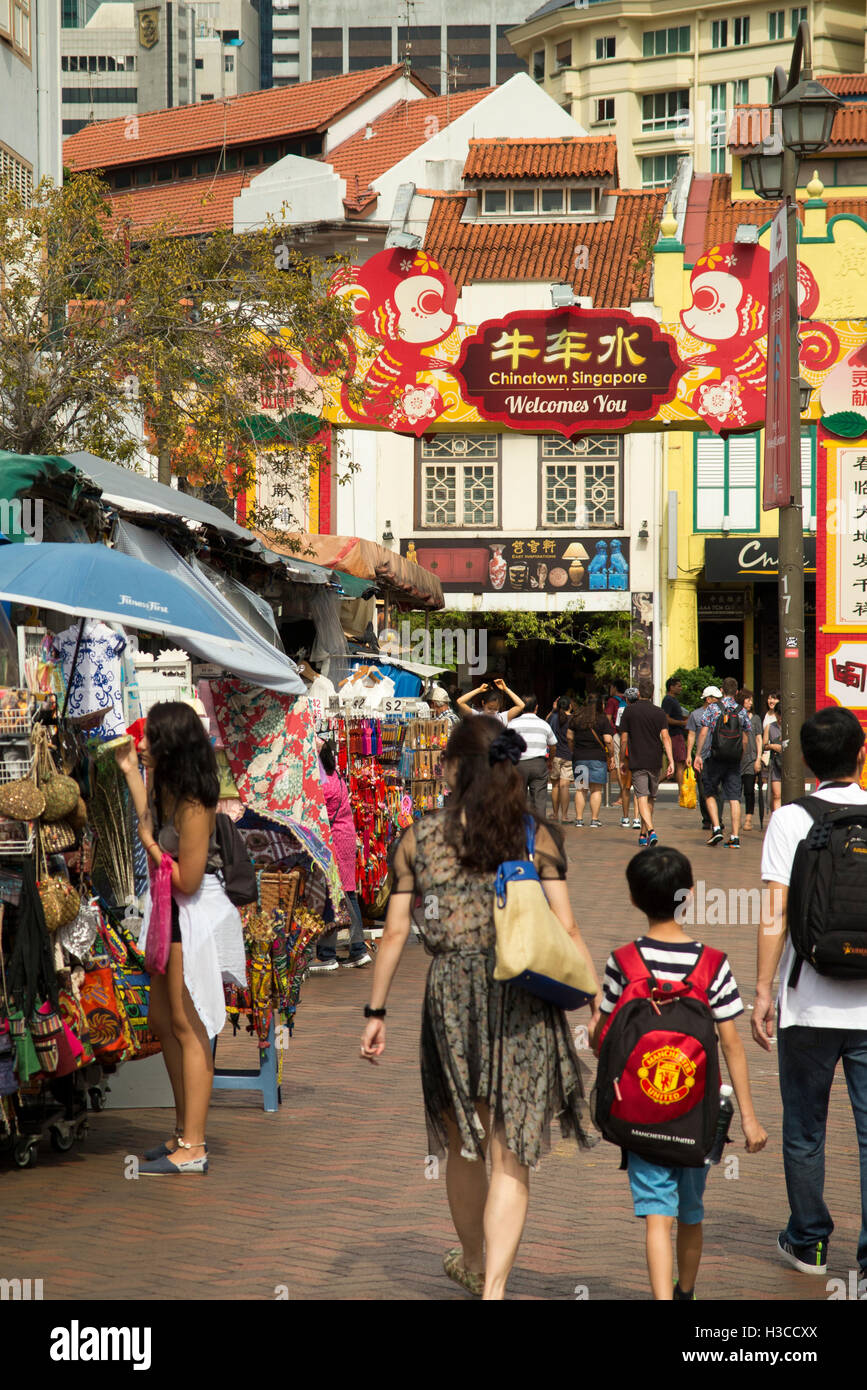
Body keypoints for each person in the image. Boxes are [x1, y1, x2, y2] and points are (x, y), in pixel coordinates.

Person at [359, 716, 600, 1300]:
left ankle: (471, 1258)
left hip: (450, 999)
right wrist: (594, 997)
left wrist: (377, 1012)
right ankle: (493, 1290)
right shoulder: (533, 836)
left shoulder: (420, 838)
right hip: (521, 994)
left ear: (453, 768)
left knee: (464, 1139)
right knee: (510, 1147)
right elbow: (565, 926)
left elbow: (393, 935)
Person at [592, 847, 767, 1300]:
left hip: (640, 1114)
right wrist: (748, 1118)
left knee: (656, 1217)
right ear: (687, 897)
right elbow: (731, 1045)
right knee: (691, 1214)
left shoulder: (623, 961)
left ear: (633, 898)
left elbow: (602, 1038)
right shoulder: (712, 964)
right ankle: (685, 1292)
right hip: (698, 1116)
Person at [754, 706, 867, 1285]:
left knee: (805, 1130)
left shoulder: (790, 820)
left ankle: (810, 1243)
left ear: (804, 760)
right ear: (862, 753)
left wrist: (762, 991)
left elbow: (773, 913)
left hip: (808, 1001)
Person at [115, 702, 246, 1175]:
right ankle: (181, 1129)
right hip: (171, 911)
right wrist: (131, 770)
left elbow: (187, 879)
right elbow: (146, 816)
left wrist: (149, 843)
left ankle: (194, 1146)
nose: (142, 743)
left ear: (171, 744)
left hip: (192, 912)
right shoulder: (168, 787)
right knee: (164, 1020)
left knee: (189, 1027)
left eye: (150, 738)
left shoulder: (193, 802)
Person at [309, 739, 372, 972]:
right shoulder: (337, 777)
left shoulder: (324, 783)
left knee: (333, 895)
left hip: (334, 839)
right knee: (347, 893)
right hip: (346, 838)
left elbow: (315, 809)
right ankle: (356, 949)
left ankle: (329, 954)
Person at [694, 676, 751, 848]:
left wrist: (698, 754)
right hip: (733, 759)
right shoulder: (741, 710)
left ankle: (717, 828)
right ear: (737, 692)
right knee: (734, 797)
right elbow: (746, 738)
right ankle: (735, 837)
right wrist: (740, 755)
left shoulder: (713, 708)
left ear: (722, 690)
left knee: (709, 792)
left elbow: (703, 732)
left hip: (715, 757)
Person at [619, 678, 674, 847]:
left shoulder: (629, 711)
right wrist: (670, 760)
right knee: (650, 798)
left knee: (641, 796)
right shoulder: (659, 713)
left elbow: (623, 739)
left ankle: (650, 830)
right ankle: (643, 834)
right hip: (655, 760)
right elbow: (665, 737)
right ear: (652, 694)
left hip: (637, 759)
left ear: (639, 693)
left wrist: (622, 759)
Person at [567, 693, 614, 828]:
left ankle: (579, 819)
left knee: (581, 789)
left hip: (580, 757)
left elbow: (569, 737)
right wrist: (611, 755)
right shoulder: (602, 719)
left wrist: (572, 750)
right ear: (601, 704)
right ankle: (594, 820)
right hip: (597, 758)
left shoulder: (577, 718)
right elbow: (608, 740)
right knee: (596, 790)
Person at [510, 695, 556, 818]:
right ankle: (539, 829)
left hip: (518, 765)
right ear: (536, 707)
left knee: (518, 799)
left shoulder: (512, 724)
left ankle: (519, 828)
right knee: (539, 800)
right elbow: (553, 745)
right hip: (539, 764)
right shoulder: (544, 724)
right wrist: (550, 761)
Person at [686, 687, 724, 834]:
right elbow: (691, 735)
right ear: (708, 699)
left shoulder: (724, 713)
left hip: (719, 756)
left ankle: (717, 820)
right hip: (702, 757)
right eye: (716, 699)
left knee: (718, 790)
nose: (719, 702)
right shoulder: (695, 715)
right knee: (703, 790)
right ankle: (707, 819)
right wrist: (689, 754)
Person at [547, 696, 575, 824]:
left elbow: (546, 724)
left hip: (556, 755)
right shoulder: (573, 719)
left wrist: (553, 710)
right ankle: (564, 816)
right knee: (565, 787)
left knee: (555, 786)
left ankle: (554, 814)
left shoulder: (553, 718)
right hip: (568, 756)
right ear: (570, 706)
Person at [738, 689, 763, 831]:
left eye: (751, 700)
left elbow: (759, 738)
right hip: (736, 760)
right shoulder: (735, 716)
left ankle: (748, 819)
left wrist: (758, 758)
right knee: (735, 791)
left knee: (749, 790)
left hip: (751, 759)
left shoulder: (756, 719)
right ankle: (737, 818)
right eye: (748, 700)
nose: (750, 703)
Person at [618, 687, 642, 829]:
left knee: (626, 788)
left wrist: (621, 758)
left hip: (628, 753)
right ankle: (637, 818)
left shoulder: (624, 711)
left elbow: (623, 737)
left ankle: (626, 818)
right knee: (639, 789)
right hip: (640, 752)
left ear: (626, 699)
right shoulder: (642, 711)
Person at [661, 677, 689, 794]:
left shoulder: (673, 700)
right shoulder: (668, 700)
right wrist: (682, 723)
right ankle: (682, 794)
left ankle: (652, 786)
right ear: (671, 687)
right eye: (678, 686)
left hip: (678, 734)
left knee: (679, 765)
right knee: (680, 764)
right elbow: (666, 718)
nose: (681, 688)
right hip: (674, 735)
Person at [457, 678, 524, 724]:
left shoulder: (503, 718)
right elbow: (460, 702)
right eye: (489, 708)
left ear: (499, 706)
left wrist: (506, 689)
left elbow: (521, 705)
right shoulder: (476, 716)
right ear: (483, 703)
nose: (492, 711)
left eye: (495, 709)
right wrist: (478, 690)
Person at [763, 693, 783, 815]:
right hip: (776, 763)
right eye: (778, 715)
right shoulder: (770, 727)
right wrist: (772, 746)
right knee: (776, 794)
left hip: (789, 764)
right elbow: (764, 745)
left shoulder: (791, 726)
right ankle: (776, 819)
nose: (780, 718)